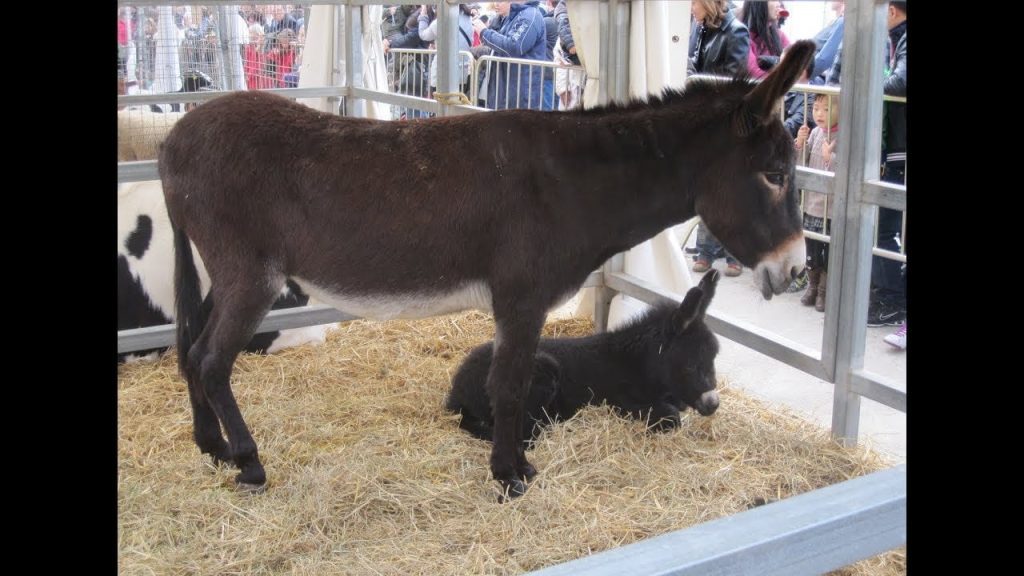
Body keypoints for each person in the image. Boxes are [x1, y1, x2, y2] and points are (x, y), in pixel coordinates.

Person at [688, 0, 749, 277]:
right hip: (704, 117)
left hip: (726, 120)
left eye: (693, 2)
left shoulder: (736, 31)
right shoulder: (698, 29)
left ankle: (734, 252)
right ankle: (705, 251)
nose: (689, 7)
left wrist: (697, 79)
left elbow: (734, 80)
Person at [868, 1, 907, 328]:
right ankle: (888, 294)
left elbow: (898, 84)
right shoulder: (897, 39)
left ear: (891, 11)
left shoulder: (904, 38)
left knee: (886, 227)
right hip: (896, 146)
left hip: (899, 148)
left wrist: (862, 88)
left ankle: (893, 299)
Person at [794, 91, 840, 312]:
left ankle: (823, 290)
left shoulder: (843, 137)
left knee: (829, 250)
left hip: (832, 208)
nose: (819, 114)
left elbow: (848, 171)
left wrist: (832, 159)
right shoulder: (814, 134)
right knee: (811, 247)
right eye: (816, 108)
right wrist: (800, 144)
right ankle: (812, 286)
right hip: (812, 204)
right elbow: (800, 165)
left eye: (827, 109)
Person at [473, 1, 548, 110]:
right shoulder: (514, 16)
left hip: (520, 93)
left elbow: (514, 46)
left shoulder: (530, 15)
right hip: (507, 90)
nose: (496, 4)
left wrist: (484, 32)